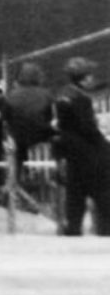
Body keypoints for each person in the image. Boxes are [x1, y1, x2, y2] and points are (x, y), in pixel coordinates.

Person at [53, 57, 110, 236]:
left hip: (72, 155)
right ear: (84, 78)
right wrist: (105, 147)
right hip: (90, 156)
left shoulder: (63, 95)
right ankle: (105, 232)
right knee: (103, 196)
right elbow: (88, 129)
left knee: (75, 199)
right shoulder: (81, 99)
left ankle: (73, 231)